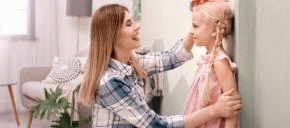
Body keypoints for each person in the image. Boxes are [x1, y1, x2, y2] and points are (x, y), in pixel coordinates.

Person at [78, 4, 241, 128]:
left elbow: (172, 57)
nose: (137, 26)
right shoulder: (110, 82)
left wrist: (202, 19)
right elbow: (157, 125)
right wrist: (216, 109)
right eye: (128, 24)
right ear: (111, 35)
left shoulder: (132, 63)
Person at [183, 1, 239, 128]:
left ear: (214, 30)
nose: (191, 31)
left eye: (195, 26)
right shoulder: (205, 62)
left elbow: (232, 109)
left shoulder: (220, 63)